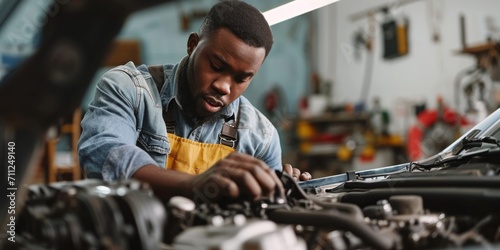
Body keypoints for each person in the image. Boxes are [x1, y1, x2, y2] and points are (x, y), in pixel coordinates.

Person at [78, 0, 311, 203]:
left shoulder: (260, 138)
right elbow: (106, 158)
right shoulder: (128, 90)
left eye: (241, 79)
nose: (224, 86)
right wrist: (194, 185)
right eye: (217, 66)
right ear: (192, 45)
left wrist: (280, 188)